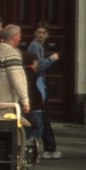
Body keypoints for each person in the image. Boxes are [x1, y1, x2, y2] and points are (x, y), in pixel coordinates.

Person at [28, 21, 61, 159]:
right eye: (39, 32)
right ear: (35, 33)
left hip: (40, 85)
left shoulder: (37, 46)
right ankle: (49, 148)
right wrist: (52, 59)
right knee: (44, 117)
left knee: (43, 117)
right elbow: (39, 66)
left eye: (44, 33)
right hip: (39, 86)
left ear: (47, 34)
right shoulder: (36, 46)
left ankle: (49, 147)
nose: (41, 35)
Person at [0, 24, 29, 117]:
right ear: (14, 37)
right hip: (6, 103)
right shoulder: (11, 53)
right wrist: (25, 100)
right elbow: (17, 80)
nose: (20, 38)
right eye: (19, 36)